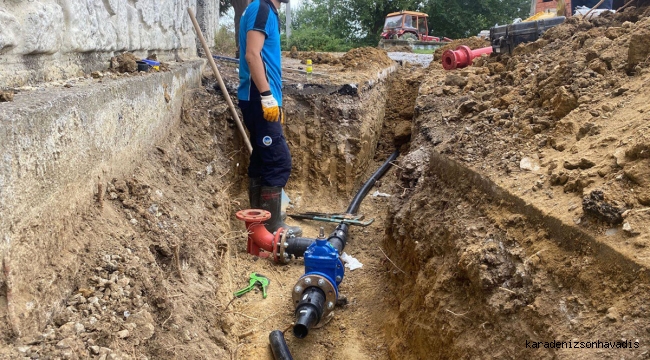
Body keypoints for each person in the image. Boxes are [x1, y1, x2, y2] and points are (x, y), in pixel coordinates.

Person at [238, 0, 302, 236]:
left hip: (260, 96)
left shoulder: (266, 10)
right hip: (259, 96)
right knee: (278, 161)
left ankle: (257, 223)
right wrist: (266, 96)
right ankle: (272, 226)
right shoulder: (262, 8)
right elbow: (252, 55)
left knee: (263, 160)